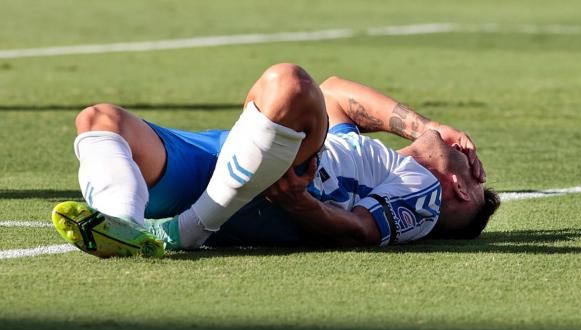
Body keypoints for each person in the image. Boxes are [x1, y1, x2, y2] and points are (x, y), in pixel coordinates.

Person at [52, 63, 500, 258]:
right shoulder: (376, 159)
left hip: (272, 194)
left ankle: (191, 228)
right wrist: (423, 127)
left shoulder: (421, 192)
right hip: (225, 157)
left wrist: (302, 206)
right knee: (101, 120)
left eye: (477, 179)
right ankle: (121, 225)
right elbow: (337, 91)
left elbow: (363, 230)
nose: (473, 162)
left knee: (289, 85)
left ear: (458, 189)